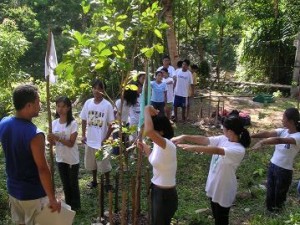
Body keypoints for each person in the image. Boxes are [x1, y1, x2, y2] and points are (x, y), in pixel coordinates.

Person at [172, 115, 250, 225]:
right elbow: (205, 140)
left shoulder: (238, 149)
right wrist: (184, 136)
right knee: (216, 216)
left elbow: (217, 150)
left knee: (222, 220)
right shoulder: (224, 138)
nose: (222, 129)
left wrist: (193, 147)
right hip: (214, 184)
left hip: (224, 189)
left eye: (223, 127)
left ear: (230, 131)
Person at [0, 84, 61, 225]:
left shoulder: (3, 123)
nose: (40, 106)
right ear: (29, 105)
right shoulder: (35, 134)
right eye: (38, 102)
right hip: (32, 194)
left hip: (13, 191)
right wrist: (52, 198)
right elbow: (42, 168)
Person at [251, 107, 300, 212]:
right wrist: (251, 136)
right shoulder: (283, 131)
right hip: (273, 165)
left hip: (284, 170)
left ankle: (277, 215)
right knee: (270, 191)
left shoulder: (298, 136)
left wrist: (262, 142)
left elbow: (279, 140)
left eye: (284, 118)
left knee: (279, 196)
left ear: (291, 121)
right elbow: (268, 133)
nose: (282, 120)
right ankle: (269, 212)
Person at [137, 105, 177, 225]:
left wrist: (147, 109)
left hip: (165, 196)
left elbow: (148, 131)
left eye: (155, 130)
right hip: (158, 192)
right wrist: (146, 149)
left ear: (162, 132)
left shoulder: (168, 145)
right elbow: (155, 161)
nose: (151, 133)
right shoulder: (159, 146)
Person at [80, 79, 115, 188]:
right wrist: (83, 135)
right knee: (92, 163)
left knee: (104, 164)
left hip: (101, 141)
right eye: (95, 88)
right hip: (90, 139)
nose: (97, 91)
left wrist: (106, 138)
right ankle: (94, 181)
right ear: (92, 89)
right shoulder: (88, 103)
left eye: (100, 88)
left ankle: (108, 183)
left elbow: (111, 124)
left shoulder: (107, 105)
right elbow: (84, 119)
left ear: (104, 91)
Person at [47, 96, 80, 210]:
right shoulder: (54, 123)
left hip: (72, 159)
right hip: (60, 158)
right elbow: (54, 144)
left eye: (63, 106)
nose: (60, 109)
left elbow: (71, 143)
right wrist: (51, 141)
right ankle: (69, 205)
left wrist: (57, 138)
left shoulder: (73, 124)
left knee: (73, 183)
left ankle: (76, 206)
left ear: (68, 108)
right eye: (58, 106)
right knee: (65, 183)